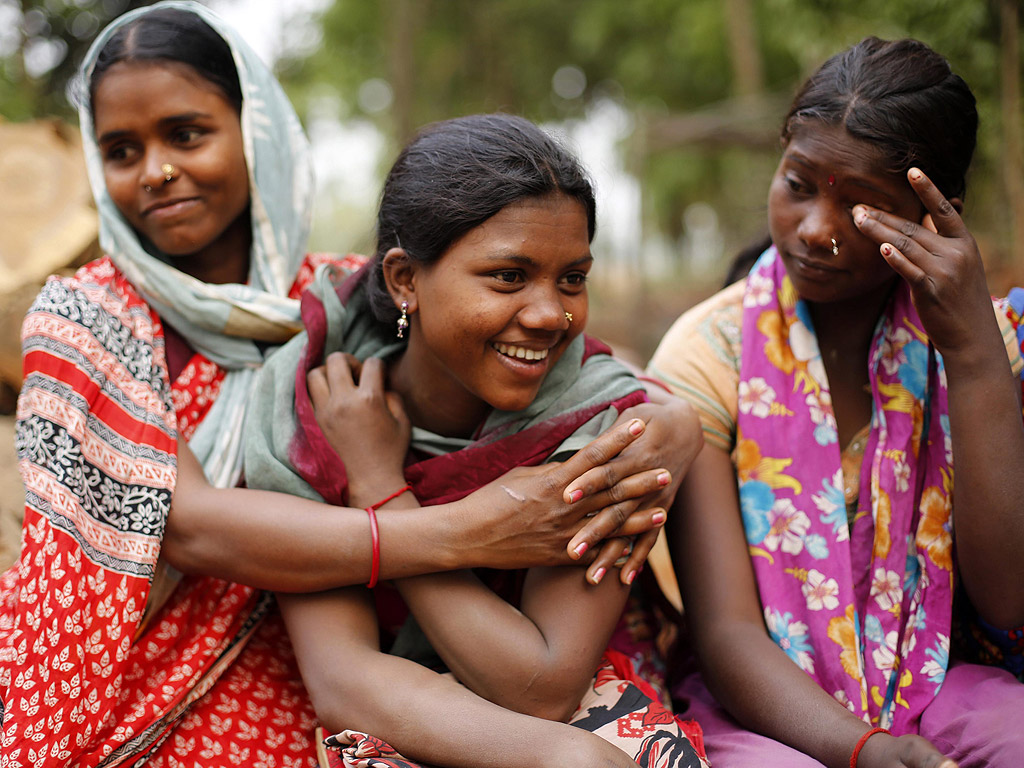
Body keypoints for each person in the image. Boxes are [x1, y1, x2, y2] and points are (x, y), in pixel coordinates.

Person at [0, 3, 702, 766]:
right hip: (132, 655)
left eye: (187, 133)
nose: (159, 169)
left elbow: (580, 369)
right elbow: (191, 525)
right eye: (121, 150)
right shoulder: (90, 314)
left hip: (297, 653)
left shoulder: (328, 305)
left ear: (255, 128)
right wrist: (458, 525)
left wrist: (673, 422)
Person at [243, 112, 710, 768]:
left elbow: (544, 684)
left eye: (572, 278)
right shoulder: (314, 404)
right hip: (396, 716)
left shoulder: (608, 427)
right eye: (509, 277)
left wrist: (380, 488)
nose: (551, 314)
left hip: (579, 706)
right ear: (406, 279)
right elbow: (343, 676)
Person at [648, 37, 1024, 768]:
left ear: (936, 213)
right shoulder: (708, 356)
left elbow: (1008, 602)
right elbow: (725, 632)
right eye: (798, 185)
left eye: (863, 206)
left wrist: (974, 358)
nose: (816, 228)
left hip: (940, 674)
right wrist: (861, 749)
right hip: (762, 703)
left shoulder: (994, 345)